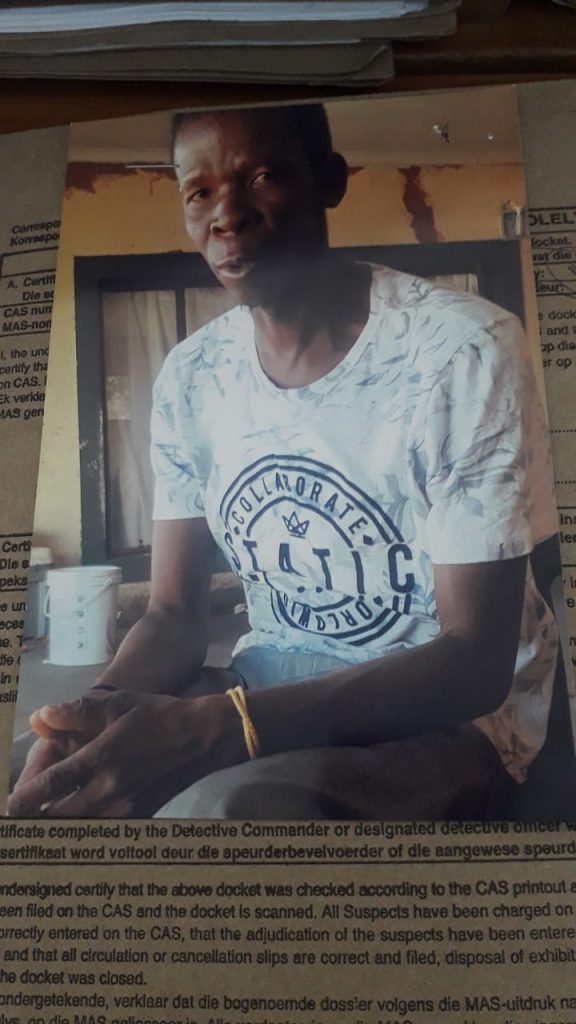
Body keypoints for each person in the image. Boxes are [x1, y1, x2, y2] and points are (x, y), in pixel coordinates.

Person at [7, 103, 559, 820]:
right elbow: (172, 614)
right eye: (199, 192)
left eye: (262, 177)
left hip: (449, 716)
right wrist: (97, 711)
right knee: (38, 770)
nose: (227, 216)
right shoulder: (192, 377)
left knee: (230, 810)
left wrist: (227, 726)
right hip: (266, 674)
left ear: (328, 180)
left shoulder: (461, 352)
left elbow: (473, 661)